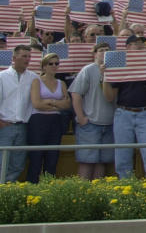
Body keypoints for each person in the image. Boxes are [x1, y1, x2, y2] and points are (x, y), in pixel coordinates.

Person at [102, 36, 146, 178]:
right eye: (137, 44)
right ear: (127, 47)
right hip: (124, 112)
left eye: (142, 44)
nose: (141, 46)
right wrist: (105, 77)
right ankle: (125, 188)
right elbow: (110, 97)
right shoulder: (121, 65)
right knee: (123, 154)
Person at [69, 42, 115, 179]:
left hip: (109, 124)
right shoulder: (88, 70)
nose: (104, 52)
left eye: (107, 50)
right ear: (94, 53)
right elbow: (76, 94)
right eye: (101, 50)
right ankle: (83, 195)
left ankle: (97, 194)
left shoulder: (115, 70)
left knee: (102, 162)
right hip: (90, 125)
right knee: (86, 162)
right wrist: (81, 117)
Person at [26, 52, 72, 182]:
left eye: (56, 63)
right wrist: (57, 104)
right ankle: (32, 187)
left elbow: (67, 104)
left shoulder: (61, 83)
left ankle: (48, 187)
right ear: (44, 66)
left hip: (55, 121)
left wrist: (50, 102)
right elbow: (37, 104)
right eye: (50, 63)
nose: (54, 66)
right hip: (38, 121)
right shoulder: (37, 81)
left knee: (52, 157)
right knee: (36, 157)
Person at [0, 45, 38, 181]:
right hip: (5, 126)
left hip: (22, 126)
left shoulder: (33, 77)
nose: (27, 59)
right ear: (14, 58)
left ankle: (8, 191)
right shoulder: (2, 77)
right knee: (1, 162)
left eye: (29, 56)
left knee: (18, 163)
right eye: (24, 56)